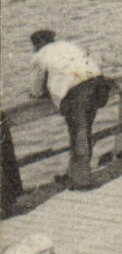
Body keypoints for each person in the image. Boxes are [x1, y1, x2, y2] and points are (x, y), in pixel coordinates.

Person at [28, 29, 112, 190]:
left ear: (37, 44)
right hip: (98, 85)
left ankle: (82, 181)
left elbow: (36, 89)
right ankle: (74, 173)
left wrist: (46, 90)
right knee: (84, 131)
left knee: (79, 133)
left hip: (77, 92)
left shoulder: (40, 55)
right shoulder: (67, 45)